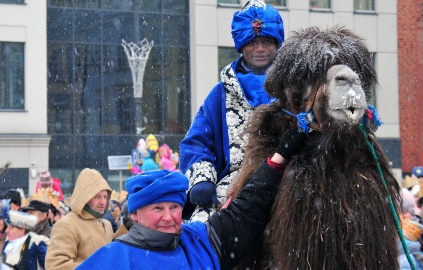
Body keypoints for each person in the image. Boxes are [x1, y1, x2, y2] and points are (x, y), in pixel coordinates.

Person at [77, 128, 307, 269]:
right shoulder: (113, 259)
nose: (168, 217)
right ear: (135, 214)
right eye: (158, 208)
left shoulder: (198, 241)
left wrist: (279, 158)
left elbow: (245, 212)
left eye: (175, 207)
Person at [180, 0, 285, 222]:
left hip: (288, 182)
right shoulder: (219, 95)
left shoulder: (295, 88)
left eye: (266, 41)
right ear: (242, 46)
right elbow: (195, 144)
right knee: (199, 237)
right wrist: (202, 179)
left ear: (277, 45)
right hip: (232, 189)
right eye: (252, 42)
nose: (260, 48)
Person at [45, 168, 113, 270]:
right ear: (85, 197)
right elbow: (56, 266)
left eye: (105, 196)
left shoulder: (106, 224)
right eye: (97, 196)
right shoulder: (67, 225)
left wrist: (126, 228)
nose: (103, 202)